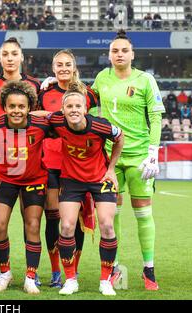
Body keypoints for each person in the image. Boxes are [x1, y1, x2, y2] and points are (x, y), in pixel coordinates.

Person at [90, 30, 165, 291]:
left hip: (140, 157)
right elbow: (87, 103)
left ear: (132, 54)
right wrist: (56, 81)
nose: (119, 54)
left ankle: (149, 269)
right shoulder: (101, 78)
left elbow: (155, 118)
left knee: (143, 212)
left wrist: (153, 152)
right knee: (112, 214)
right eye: (114, 51)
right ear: (109, 55)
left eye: (124, 50)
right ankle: (114, 268)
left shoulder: (145, 80)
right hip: (111, 159)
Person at [47, 84, 124, 296]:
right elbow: (40, 115)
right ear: (62, 110)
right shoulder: (57, 121)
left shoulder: (101, 126)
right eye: (69, 106)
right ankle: (70, 279)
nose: (73, 109)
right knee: (67, 227)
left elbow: (120, 138)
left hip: (100, 179)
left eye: (78, 106)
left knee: (108, 226)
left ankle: (105, 280)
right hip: (71, 180)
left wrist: (111, 169)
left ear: (85, 108)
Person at [34, 49, 98, 288]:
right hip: (50, 162)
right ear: (53, 69)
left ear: (74, 67)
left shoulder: (87, 93)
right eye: (59, 64)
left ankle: (74, 269)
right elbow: (34, 116)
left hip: (78, 164)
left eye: (67, 64)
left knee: (76, 220)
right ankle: (55, 271)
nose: (63, 68)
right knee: (53, 217)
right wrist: (57, 114)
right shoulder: (45, 92)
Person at [0, 37, 40, 286]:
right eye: (5, 54)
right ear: (0, 58)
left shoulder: (35, 85)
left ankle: (32, 274)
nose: (10, 58)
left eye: (14, 53)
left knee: (34, 221)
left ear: (22, 57)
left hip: (29, 160)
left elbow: (42, 119)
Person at [0, 80, 51, 294]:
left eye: (21, 106)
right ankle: (5, 273)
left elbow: (59, 118)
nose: (16, 110)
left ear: (29, 107)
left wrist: (45, 114)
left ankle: (30, 276)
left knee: (32, 225)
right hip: (5, 180)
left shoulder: (41, 125)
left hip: (34, 180)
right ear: (4, 107)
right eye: (12, 106)